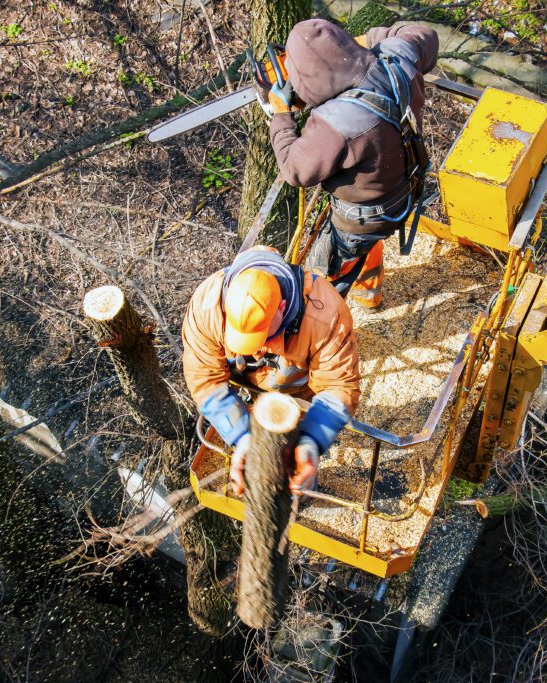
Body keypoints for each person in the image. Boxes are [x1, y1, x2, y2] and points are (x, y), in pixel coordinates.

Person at [266, 19, 440, 308]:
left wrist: (281, 115)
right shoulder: (397, 60)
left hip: (364, 216)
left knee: (325, 272)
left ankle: (325, 319)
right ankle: (369, 294)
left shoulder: (336, 123)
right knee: (366, 243)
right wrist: (364, 43)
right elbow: (426, 35)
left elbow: (294, 169)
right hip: (406, 186)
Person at [182, 246, 360, 495]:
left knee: (296, 461)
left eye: (261, 336)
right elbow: (205, 377)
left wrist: (312, 442)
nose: (256, 351)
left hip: (300, 396)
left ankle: (303, 493)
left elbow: (338, 386)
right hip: (251, 390)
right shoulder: (207, 309)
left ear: (282, 306)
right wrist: (241, 437)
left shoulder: (326, 315)